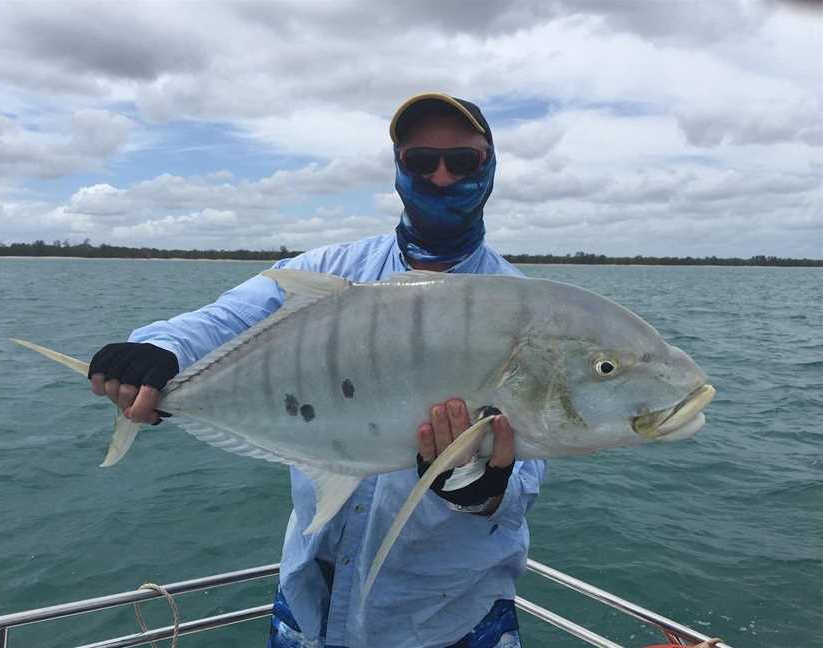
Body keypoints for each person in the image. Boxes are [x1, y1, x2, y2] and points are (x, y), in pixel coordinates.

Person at [88, 93, 547, 648]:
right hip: (306, 610)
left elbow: (521, 479)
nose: (442, 176)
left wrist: (478, 485)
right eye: (421, 161)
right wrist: (160, 353)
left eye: (463, 161)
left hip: (446, 622)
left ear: (491, 166)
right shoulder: (327, 270)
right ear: (399, 169)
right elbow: (226, 320)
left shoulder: (526, 308)